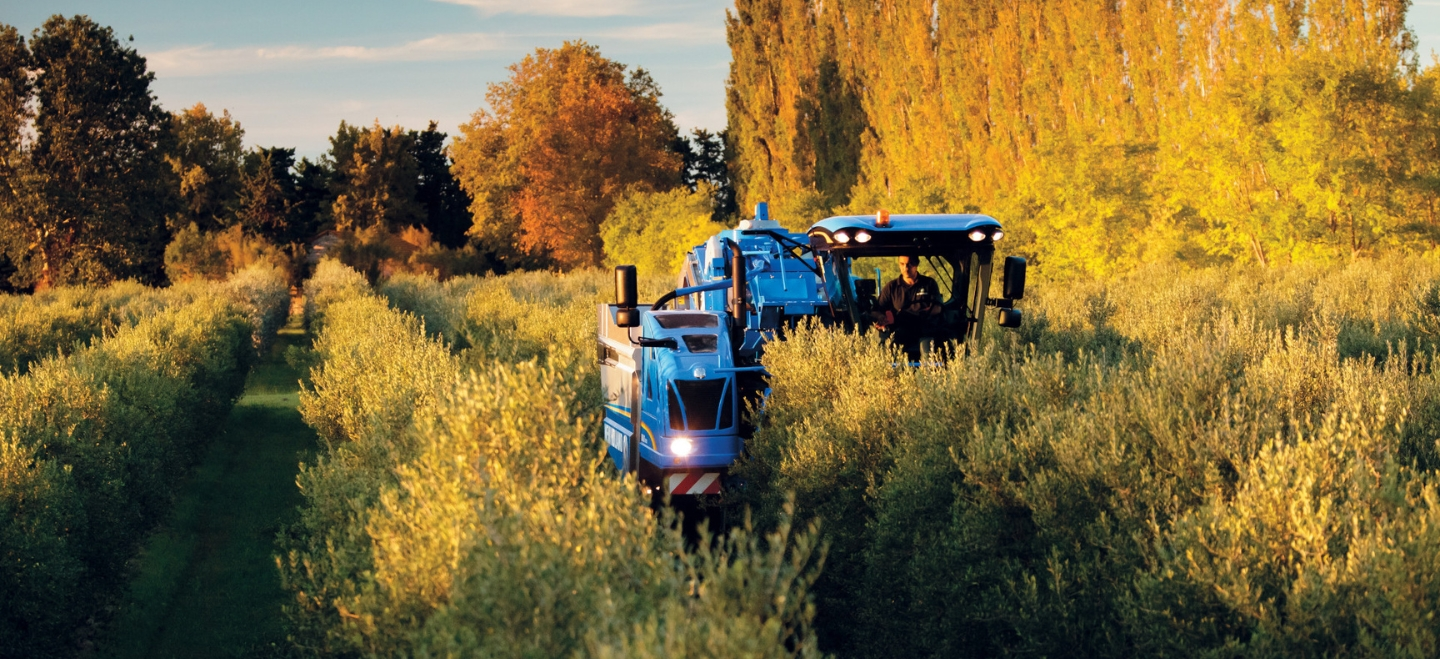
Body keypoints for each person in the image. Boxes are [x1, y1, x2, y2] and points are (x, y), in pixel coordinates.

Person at [873, 255, 942, 358]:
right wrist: (881, 317)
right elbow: (876, 310)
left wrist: (924, 313)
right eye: (902, 264)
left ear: (916, 264)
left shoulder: (929, 283)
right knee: (889, 349)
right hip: (900, 329)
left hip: (925, 329)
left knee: (928, 352)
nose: (906, 268)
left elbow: (938, 308)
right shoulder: (891, 287)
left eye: (909, 264)